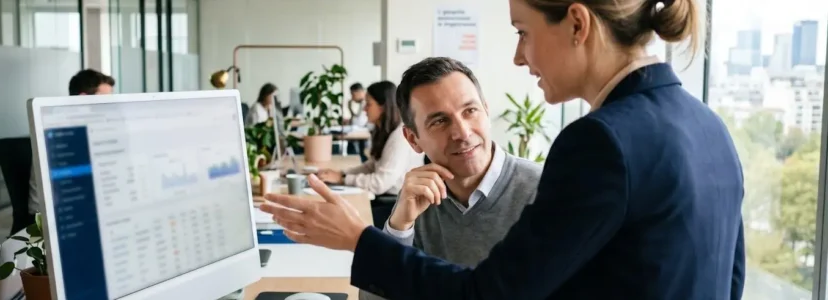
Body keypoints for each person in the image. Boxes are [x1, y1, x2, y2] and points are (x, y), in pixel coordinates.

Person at [261, 0, 746, 299]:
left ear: (577, 24)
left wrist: (358, 238)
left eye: (523, 32)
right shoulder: (708, 125)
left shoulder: (600, 142)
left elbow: (487, 295)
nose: (519, 55)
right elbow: (732, 282)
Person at [362, 59, 543, 300]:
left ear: (486, 111)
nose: (462, 132)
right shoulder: (418, 199)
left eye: (470, 111)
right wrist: (398, 227)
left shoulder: (544, 189)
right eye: (439, 121)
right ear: (413, 139)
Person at [316, 81, 424, 228]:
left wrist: (343, 179)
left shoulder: (399, 137)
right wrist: (340, 174)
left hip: (395, 207)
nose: (364, 109)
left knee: (340, 217)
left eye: (368, 104)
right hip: (386, 200)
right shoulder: (384, 131)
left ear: (383, 107)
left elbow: (379, 183)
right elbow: (371, 165)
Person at [29, 69, 115, 214]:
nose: (109, 106)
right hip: (51, 217)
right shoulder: (60, 131)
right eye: (104, 99)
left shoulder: (94, 130)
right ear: (83, 98)